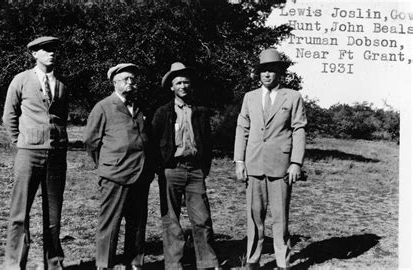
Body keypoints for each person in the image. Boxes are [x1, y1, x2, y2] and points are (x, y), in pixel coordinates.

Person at [233, 48, 307, 270]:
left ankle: (283, 262)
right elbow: (242, 128)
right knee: (255, 217)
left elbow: (299, 129)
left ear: (279, 73)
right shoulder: (250, 97)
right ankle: (253, 260)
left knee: (280, 218)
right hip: (253, 164)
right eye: (263, 70)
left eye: (271, 70)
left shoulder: (292, 97)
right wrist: (239, 161)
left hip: (281, 166)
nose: (266, 75)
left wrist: (296, 162)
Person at [2, 36, 69, 270]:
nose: (51, 53)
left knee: (53, 216)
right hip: (28, 153)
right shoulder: (21, 80)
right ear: (34, 54)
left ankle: (53, 263)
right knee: (19, 213)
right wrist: (18, 141)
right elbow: (9, 114)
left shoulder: (61, 84)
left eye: (54, 50)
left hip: (56, 155)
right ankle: (14, 264)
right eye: (46, 50)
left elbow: (63, 117)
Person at [83, 63, 154, 270]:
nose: (131, 83)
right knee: (110, 223)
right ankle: (104, 265)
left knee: (137, 223)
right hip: (114, 175)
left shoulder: (140, 107)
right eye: (126, 79)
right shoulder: (103, 107)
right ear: (114, 82)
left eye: (133, 79)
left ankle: (135, 263)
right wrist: (107, 165)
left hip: (140, 174)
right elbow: (91, 142)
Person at [152, 62, 221, 270]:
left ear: (191, 85)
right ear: (171, 87)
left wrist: (203, 168)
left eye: (186, 82)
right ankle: (174, 264)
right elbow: (153, 143)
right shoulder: (163, 112)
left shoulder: (200, 112)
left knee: (202, 219)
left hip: (195, 171)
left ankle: (207, 262)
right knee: (171, 221)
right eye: (178, 82)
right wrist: (161, 168)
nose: (183, 86)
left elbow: (207, 143)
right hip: (171, 170)